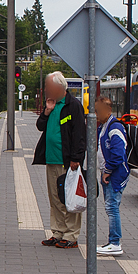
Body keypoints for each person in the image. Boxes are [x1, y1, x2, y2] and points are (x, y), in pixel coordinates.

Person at [32, 71, 87, 249]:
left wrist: (76, 158)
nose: (46, 90)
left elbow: (80, 134)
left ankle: (71, 235)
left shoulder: (73, 106)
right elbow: (40, 126)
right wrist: (47, 111)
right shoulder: (52, 105)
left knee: (69, 199)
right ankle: (57, 232)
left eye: (48, 87)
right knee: (55, 198)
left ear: (58, 87)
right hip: (51, 159)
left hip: (67, 161)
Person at [94, 95, 128, 256]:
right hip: (109, 172)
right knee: (111, 207)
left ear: (108, 110)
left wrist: (107, 170)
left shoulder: (114, 128)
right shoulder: (104, 126)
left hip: (115, 174)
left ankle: (115, 242)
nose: (96, 114)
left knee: (112, 207)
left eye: (98, 111)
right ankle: (112, 241)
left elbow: (118, 153)